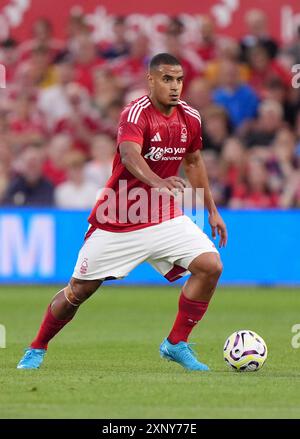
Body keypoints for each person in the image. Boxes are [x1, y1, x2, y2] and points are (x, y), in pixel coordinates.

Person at [17, 53, 227, 371]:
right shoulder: (135, 113)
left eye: (179, 79)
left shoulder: (191, 118)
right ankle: (37, 347)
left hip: (163, 216)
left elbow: (194, 162)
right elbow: (129, 156)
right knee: (79, 291)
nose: (175, 86)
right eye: (167, 79)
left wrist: (211, 211)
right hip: (119, 219)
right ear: (151, 80)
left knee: (210, 266)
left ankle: (176, 343)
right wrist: (158, 182)